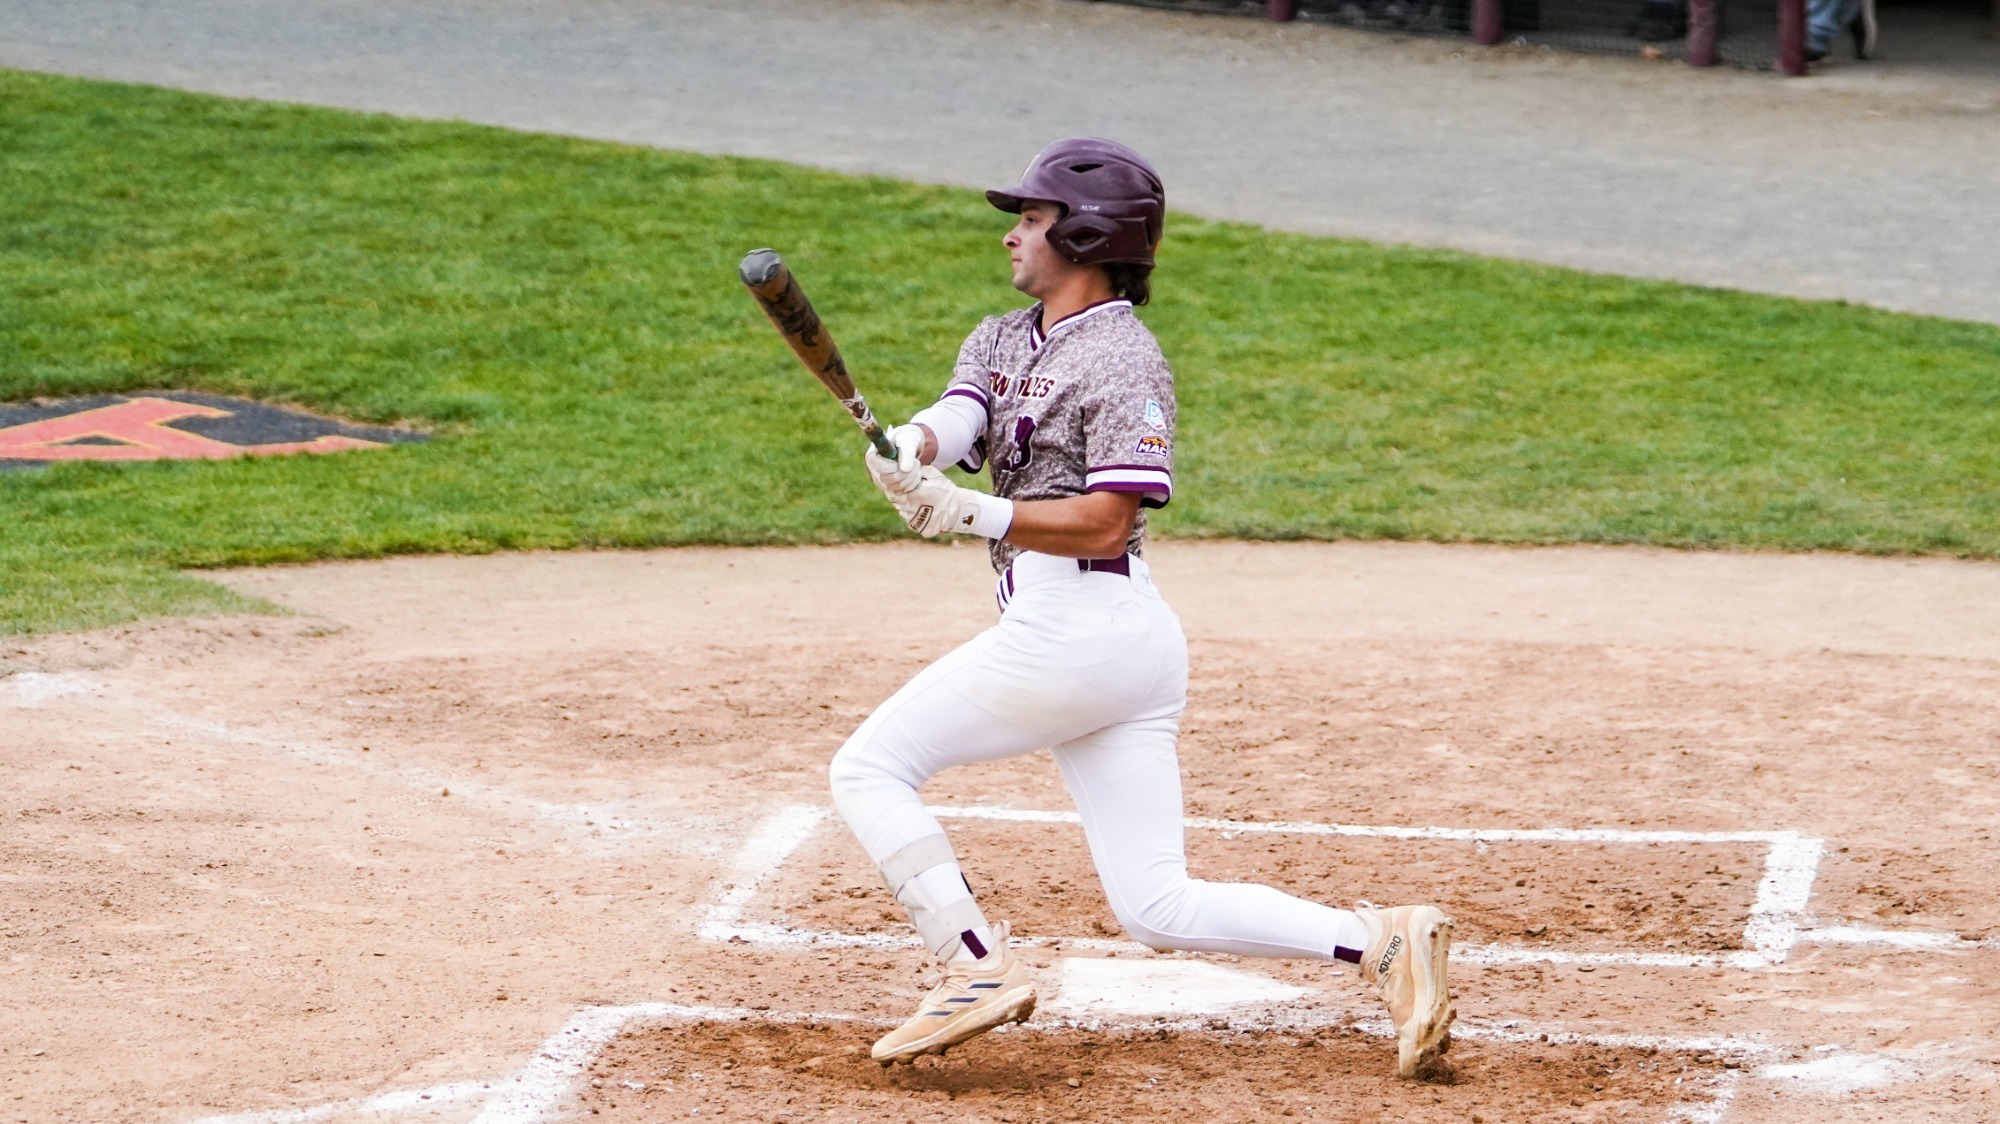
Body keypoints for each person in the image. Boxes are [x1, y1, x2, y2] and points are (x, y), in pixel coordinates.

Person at [827, 137, 1456, 1079]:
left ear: (1085, 235)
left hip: (1079, 631)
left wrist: (970, 511)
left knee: (870, 767)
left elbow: (1107, 524)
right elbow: (964, 413)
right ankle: (1384, 940)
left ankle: (971, 968)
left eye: (1032, 220)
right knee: (1156, 905)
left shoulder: (1125, 360)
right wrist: (913, 446)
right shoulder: (1002, 334)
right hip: (1116, 647)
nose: (1013, 236)